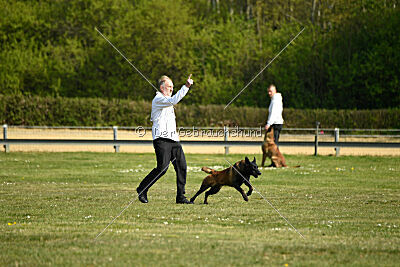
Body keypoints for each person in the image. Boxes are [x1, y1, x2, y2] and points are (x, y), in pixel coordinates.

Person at [136, 74, 193, 204]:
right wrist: (186, 87)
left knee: (182, 167)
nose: (172, 89)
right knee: (162, 168)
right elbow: (173, 100)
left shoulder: (167, 101)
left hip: (173, 139)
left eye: (173, 87)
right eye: (169, 87)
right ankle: (142, 189)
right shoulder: (158, 99)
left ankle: (181, 197)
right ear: (162, 88)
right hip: (161, 139)